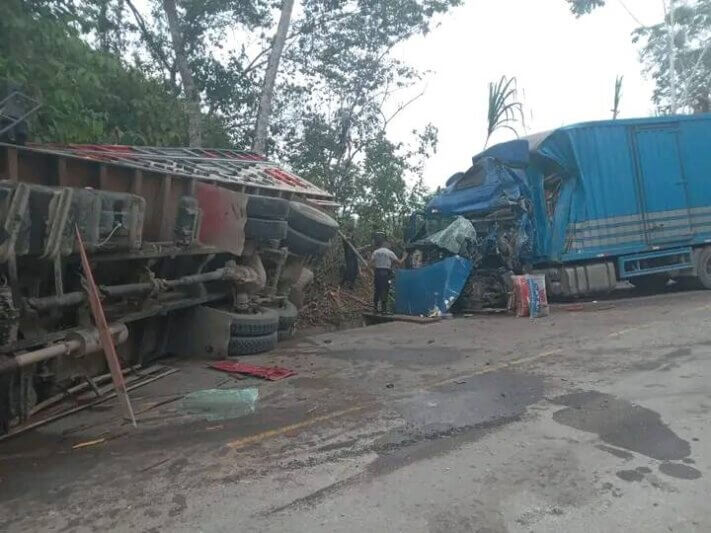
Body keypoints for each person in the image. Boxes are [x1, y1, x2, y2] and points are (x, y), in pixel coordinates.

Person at [369, 238, 407, 313]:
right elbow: (399, 262)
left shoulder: (376, 252)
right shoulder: (389, 252)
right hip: (385, 273)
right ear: (386, 244)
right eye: (390, 244)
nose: (390, 245)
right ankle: (384, 309)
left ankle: (375, 308)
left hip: (377, 272)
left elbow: (370, 262)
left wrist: (371, 268)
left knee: (377, 290)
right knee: (385, 290)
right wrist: (404, 257)